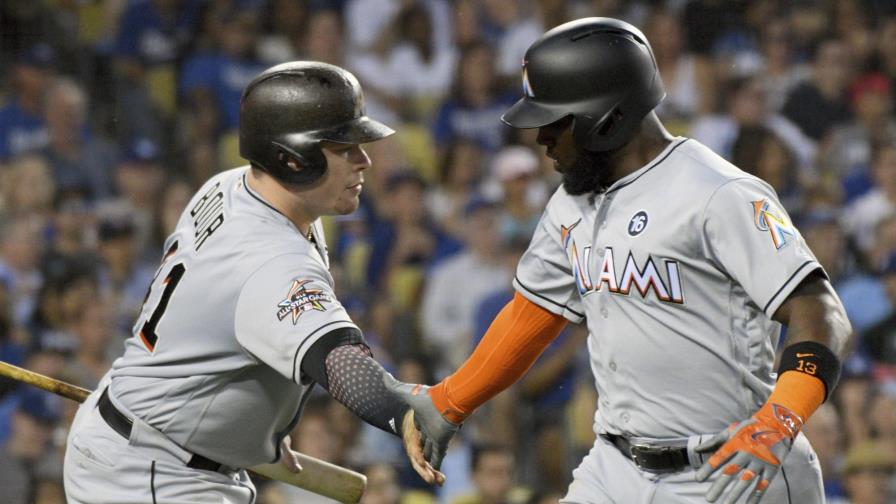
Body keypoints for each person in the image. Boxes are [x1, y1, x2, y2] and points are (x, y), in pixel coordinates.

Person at [398, 18, 852, 504]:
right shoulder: (571, 201)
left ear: (608, 119)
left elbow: (820, 311)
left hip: (732, 468)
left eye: (556, 122)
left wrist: (781, 418)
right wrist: (449, 400)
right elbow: (531, 315)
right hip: (615, 466)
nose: (541, 138)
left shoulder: (718, 193)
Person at [62, 61, 454, 503]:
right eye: (344, 147)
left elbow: (219, 320)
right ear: (294, 158)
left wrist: (258, 420)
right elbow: (337, 359)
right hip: (153, 472)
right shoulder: (269, 258)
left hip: (152, 439)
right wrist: (401, 408)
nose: (364, 160)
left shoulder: (233, 185)